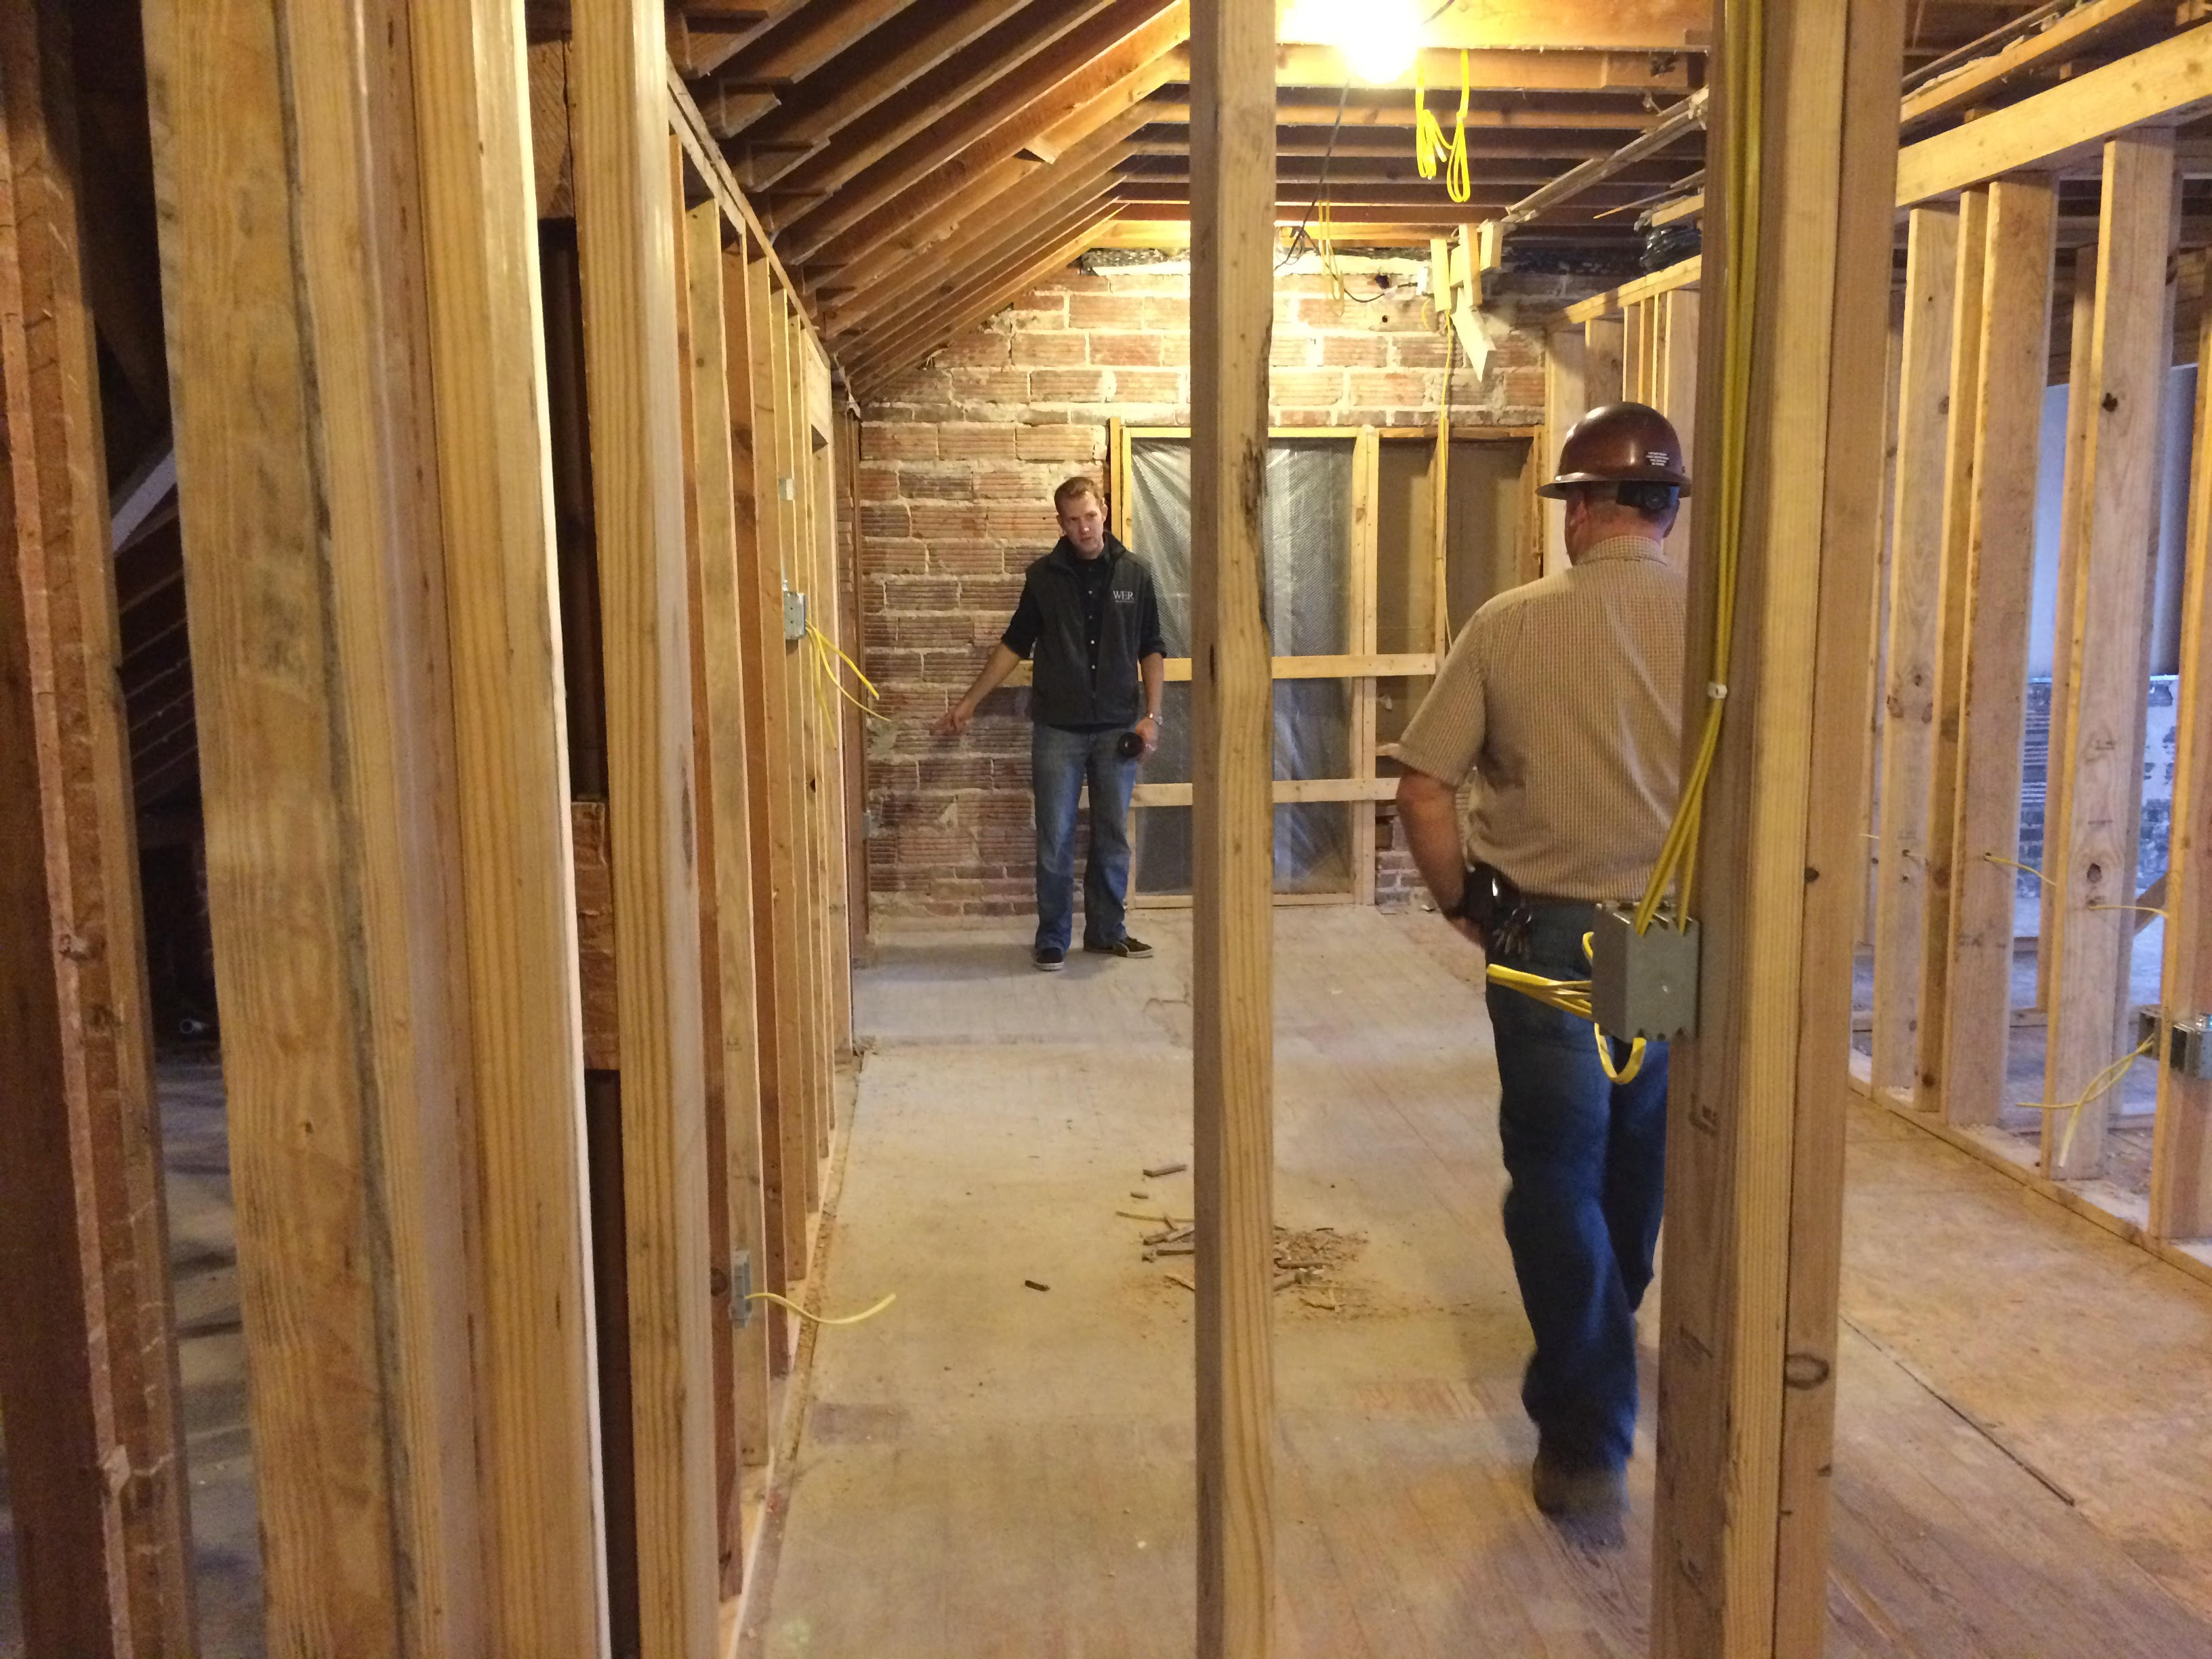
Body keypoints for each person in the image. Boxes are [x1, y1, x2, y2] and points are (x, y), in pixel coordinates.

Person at [1392, 403, 1689, 1520]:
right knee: (1635, 1152)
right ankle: (1614, 1323)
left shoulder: (1507, 624)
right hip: (1660, 935)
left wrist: (1461, 898)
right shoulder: (1719, 625)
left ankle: (1582, 1435)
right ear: (1664, 510)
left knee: (1554, 1175)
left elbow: (1422, 783)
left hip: (1545, 941)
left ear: (1582, 510)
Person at [936, 476, 1166, 971]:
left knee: (1111, 834)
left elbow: (1152, 646)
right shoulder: (1043, 578)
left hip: (1116, 728)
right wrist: (970, 702)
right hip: (1058, 730)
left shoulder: (1136, 575)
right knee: (1055, 836)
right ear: (1059, 522)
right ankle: (1053, 938)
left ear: (1103, 511)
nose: (1083, 527)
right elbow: (1015, 644)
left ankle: (1107, 932)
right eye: (1072, 519)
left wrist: (1152, 716)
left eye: (1089, 515)